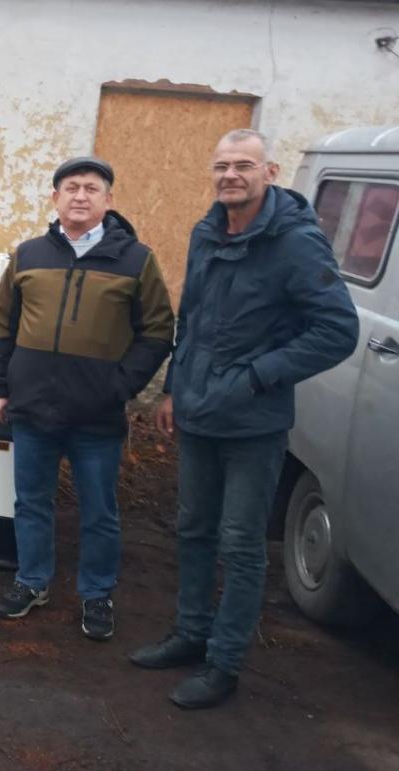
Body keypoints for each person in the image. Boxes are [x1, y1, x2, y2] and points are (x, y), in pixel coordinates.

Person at [129, 129, 359, 709]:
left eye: (244, 166)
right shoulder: (206, 232)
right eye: (222, 166)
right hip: (199, 414)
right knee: (193, 530)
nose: (231, 175)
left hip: (254, 425)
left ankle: (223, 663)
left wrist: (259, 376)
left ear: (270, 172)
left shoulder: (296, 244)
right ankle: (190, 633)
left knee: (240, 543)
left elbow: (338, 331)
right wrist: (174, 389)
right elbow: (193, 318)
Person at [0, 156, 174, 640]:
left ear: (108, 200)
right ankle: (32, 581)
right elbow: (2, 322)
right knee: (32, 502)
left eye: (92, 188)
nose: (80, 196)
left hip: (96, 415)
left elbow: (158, 330)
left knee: (99, 511)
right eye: (71, 187)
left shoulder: (136, 260)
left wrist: (120, 387)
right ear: (55, 198)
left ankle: (96, 594)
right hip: (33, 408)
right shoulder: (28, 255)